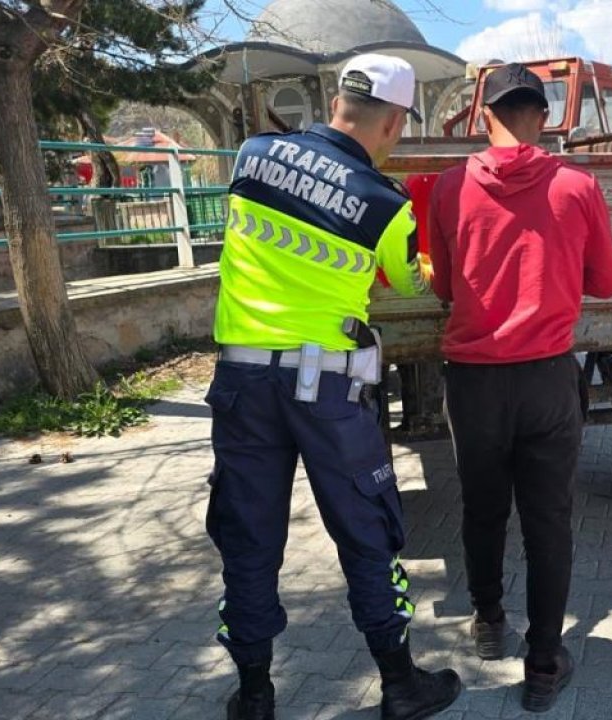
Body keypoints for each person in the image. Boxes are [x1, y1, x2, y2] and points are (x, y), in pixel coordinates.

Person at [205, 53, 462, 720]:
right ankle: (400, 685)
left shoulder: (253, 155)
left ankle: (254, 696)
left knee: (247, 537)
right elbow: (410, 282)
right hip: (329, 391)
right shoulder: (386, 204)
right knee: (366, 535)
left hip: (241, 382)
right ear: (395, 121)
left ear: (337, 102)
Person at [428, 62, 612, 712]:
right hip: (546, 379)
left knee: (482, 509)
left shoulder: (450, 187)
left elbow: (444, 286)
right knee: (549, 521)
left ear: (482, 116)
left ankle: (488, 620)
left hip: (473, 383)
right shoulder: (576, 185)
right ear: (543, 118)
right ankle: (543, 664)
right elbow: (607, 283)